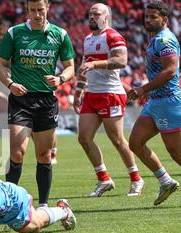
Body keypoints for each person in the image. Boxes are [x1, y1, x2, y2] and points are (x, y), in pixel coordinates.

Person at [0, 0, 75, 207]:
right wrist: (10, 83)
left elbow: (70, 67)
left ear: (47, 7)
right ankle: (9, 203)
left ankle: (43, 205)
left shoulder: (60, 34)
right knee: (17, 152)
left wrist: (61, 79)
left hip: (46, 101)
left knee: (44, 155)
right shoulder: (15, 33)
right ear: (27, 10)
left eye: (40, 10)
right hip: (20, 100)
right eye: (33, 10)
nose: (37, 15)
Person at [73, 3, 144, 197]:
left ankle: (137, 179)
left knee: (117, 140)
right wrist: (79, 91)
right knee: (84, 138)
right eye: (90, 14)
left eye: (96, 14)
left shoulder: (112, 35)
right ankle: (104, 179)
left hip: (110, 93)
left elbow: (121, 61)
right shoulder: (88, 39)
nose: (92, 17)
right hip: (92, 94)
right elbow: (83, 68)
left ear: (106, 17)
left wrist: (95, 63)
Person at [128, 1, 180, 205]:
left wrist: (143, 89)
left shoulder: (165, 40)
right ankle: (166, 181)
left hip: (168, 102)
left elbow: (170, 71)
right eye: (146, 16)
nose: (148, 20)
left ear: (164, 19)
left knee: (176, 152)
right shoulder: (155, 39)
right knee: (135, 143)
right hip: (155, 101)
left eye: (153, 17)